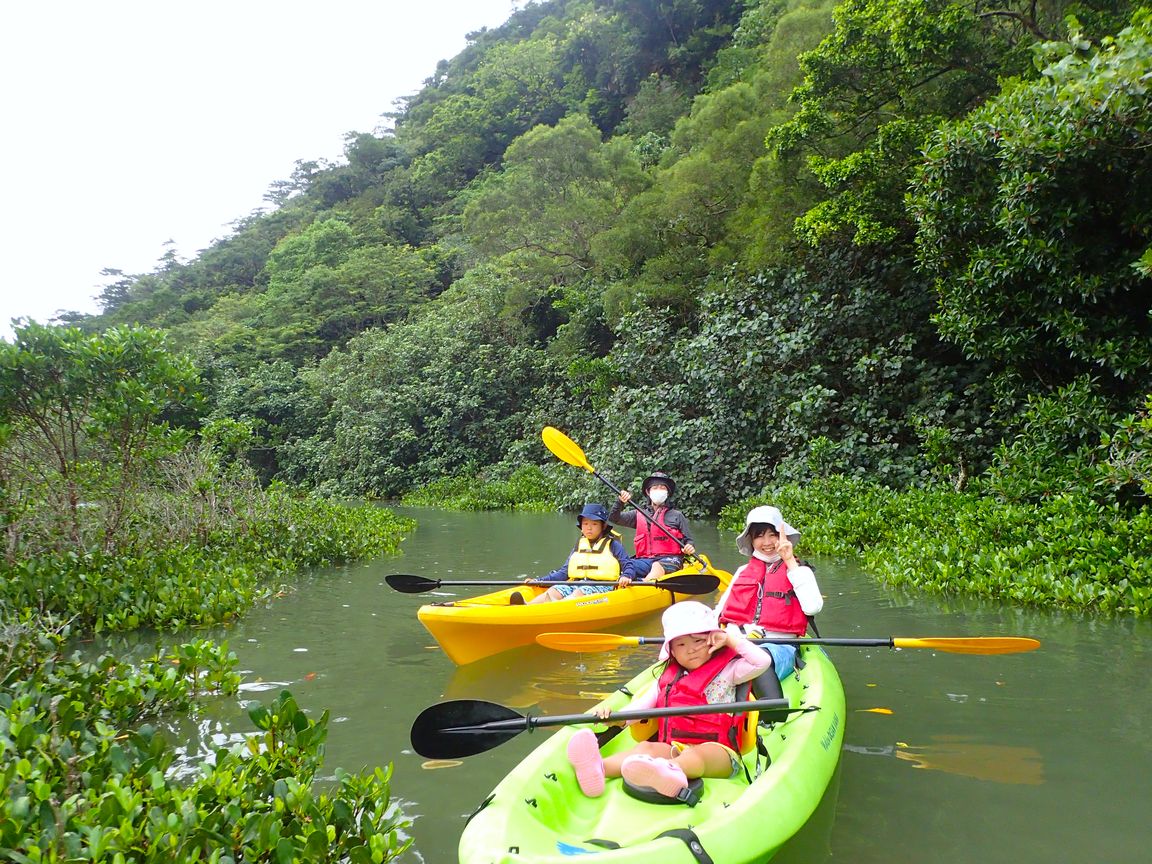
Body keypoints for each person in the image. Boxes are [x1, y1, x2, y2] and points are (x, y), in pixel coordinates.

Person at [565, 601, 771, 800]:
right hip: (675, 745)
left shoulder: (730, 671)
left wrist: (730, 639)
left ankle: (669, 773)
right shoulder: (668, 679)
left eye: (698, 641)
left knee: (695, 757)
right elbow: (640, 707)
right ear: (671, 650)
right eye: (681, 644)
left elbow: (762, 662)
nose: (691, 649)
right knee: (647, 748)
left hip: (720, 753)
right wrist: (617, 720)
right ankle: (599, 768)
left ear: (712, 640)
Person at [713, 505, 823, 694]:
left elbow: (813, 608)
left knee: (758, 659)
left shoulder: (798, 570)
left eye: (772, 534)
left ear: (783, 536)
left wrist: (789, 561)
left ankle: (766, 716)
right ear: (752, 540)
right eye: (759, 536)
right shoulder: (742, 572)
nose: (767, 542)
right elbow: (719, 612)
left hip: (778, 647)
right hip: (737, 640)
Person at [516, 503, 637, 604]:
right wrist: (539, 580)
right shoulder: (579, 545)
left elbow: (628, 566)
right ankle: (526, 606)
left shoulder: (613, 545)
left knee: (580, 592)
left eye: (594, 524)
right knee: (555, 590)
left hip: (603, 586)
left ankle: (555, 607)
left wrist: (626, 576)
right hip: (577, 583)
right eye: (585, 524)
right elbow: (564, 572)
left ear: (603, 526)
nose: (589, 528)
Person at [608, 471, 695, 581]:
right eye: (655, 488)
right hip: (644, 560)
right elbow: (614, 518)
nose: (659, 490)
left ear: (668, 492)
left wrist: (689, 547)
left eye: (662, 488)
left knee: (657, 566)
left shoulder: (677, 516)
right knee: (619, 565)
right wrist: (620, 502)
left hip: (671, 559)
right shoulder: (638, 514)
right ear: (648, 492)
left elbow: (689, 541)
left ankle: (644, 584)